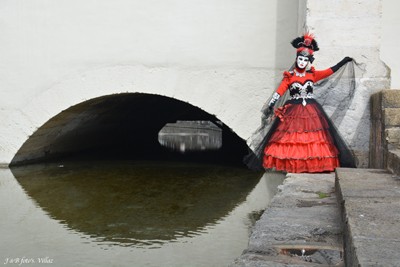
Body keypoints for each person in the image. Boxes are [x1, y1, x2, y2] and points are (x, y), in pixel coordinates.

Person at [247, 33, 356, 173]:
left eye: (305, 60)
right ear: (296, 59)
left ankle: (311, 165)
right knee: (294, 139)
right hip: (293, 110)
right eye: (300, 59)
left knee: (311, 138)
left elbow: (329, 71)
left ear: (308, 61)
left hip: (311, 110)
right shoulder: (289, 77)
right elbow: (279, 91)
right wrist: (271, 104)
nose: (302, 62)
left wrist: (343, 62)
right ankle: (294, 165)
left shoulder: (313, 74)